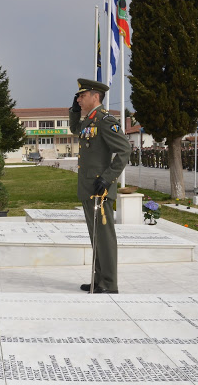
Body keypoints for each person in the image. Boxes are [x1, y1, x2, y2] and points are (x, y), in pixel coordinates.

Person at [69, 78, 131, 294]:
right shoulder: (89, 120)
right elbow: (75, 129)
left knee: (104, 237)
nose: (78, 99)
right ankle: (99, 281)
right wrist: (74, 110)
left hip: (100, 188)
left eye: (82, 96)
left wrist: (108, 178)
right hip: (89, 187)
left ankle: (110, 283)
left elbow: (124, 150)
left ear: (95, 96)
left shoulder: (105, 120)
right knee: (95, 236)